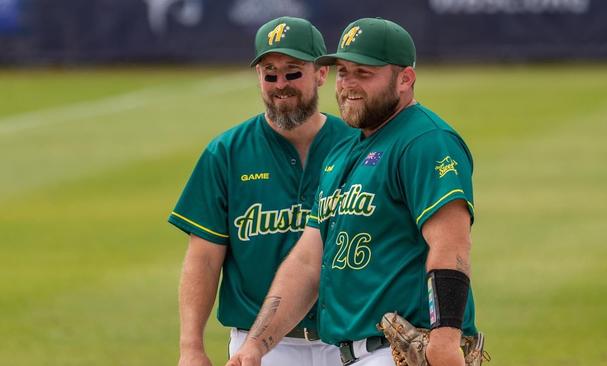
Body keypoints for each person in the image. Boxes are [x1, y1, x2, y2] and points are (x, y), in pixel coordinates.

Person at [226, 17, 487, 366]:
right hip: (348, 355)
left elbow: (451, 244)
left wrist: (444, 339)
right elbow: (306, 262)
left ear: (405, 79)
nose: (348, 84)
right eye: (343, 72)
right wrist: (256, 345)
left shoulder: (426, 142)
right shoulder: (343, 152)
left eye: (363, 74)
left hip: (401, 353)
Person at [168, 17, 353, 366]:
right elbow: (204, 257)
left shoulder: (356, 146)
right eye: (270, 73)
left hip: (348, 340)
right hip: (262, 349)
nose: (281, 84)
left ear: (321, 74)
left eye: (293, 72)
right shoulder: (226, 153)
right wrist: (190, 346)